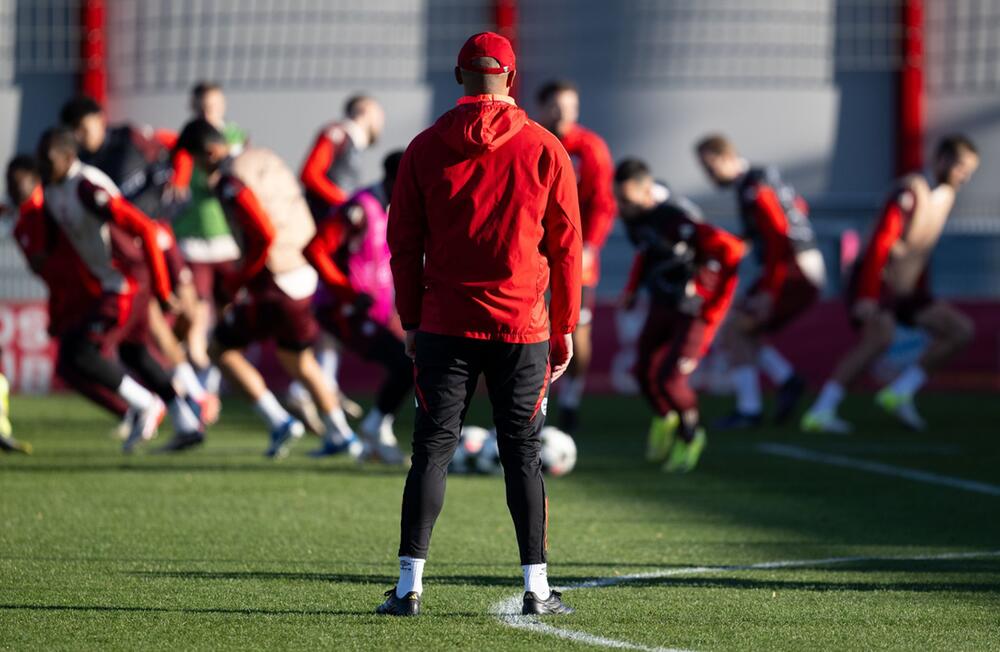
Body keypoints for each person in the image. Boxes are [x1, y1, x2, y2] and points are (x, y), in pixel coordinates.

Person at [377, 32, 582, 617]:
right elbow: (567, 246)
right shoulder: (546, 146)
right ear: (511, 78)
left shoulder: (421, 147)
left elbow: (402, 244)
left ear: (458, 76)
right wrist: (564, 324)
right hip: (524, 323)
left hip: (444, 322)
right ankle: (537, 589)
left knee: (432, 450)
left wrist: (410, 318)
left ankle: (409, 585)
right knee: (522, 450)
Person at [176, 118, 364, 459]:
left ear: (209, 151)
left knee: (220, 349)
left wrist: (238, 281)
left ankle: (278, 421)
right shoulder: (264, 156)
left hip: (276, 279)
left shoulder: (230, 180)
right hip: (304, 271)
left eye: (197, 161)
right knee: (297, 358)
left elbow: (263, 234)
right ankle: (342, 436)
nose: (200, 171)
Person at [33, 129, 206, 452]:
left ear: (68, 158)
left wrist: (162, 287)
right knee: (134, 351)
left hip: (128, 280)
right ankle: (187, 424)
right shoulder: (54, 189)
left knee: (79, 352)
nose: (42, 165)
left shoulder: (88, 188)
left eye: (48, 159)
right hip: (113, 280)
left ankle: (144, 404)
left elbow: (143, 228)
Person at [802, 135, 979, 433]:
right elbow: (880, 245)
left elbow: (919, 249)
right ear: (942, 159)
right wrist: (868, 295)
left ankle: (900, 393)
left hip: (906, 286)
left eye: (969, 170)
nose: (966, 176)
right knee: (878, 339)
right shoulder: (910, 191)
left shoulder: (946, 196)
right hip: (875, 280)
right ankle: (821, 411)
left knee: (959, 331)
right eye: (961, 167)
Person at [59, 96, 210, 418]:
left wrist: (180, 180)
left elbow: (176, 142)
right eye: (75, 131)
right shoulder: (84, 166)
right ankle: (196, 395)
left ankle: (193, 377)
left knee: (189, 311)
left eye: (84, 127)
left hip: (159, 234)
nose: (81, 135)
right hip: (134, 250)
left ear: (99, 119)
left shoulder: (130, 138)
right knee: (153, 321)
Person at [615, 159, 744, 472]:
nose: (622, 208)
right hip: (662, 302)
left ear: (647, 191)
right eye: (619, 200)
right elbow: (645, 252)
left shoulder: (678, 217)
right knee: (644, 371)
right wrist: (633, 289)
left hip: (692, 309)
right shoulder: (636, 218)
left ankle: (690, 435)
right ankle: (665, 417)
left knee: (671, 379)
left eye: (627, 201)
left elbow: (732, 250)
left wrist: (710, 300)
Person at [695, 134, 825, 428]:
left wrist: (769, 289)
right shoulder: (761, 181)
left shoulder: (754, 187)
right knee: (743, 330)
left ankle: (750, 409)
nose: (709, 175)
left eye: (709, 166)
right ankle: (787, 381)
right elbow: (797, 210)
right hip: (796, 266)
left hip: (794, 270)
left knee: (734, 331)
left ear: (725, 158)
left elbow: (779, 236)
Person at [303, 151, 411, 463]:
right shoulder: (359, 207)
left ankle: (374, 432)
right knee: (405, 362)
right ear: (393, 179)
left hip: (375, 309)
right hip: (345, 308)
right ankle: (375, 430)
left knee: (411, 361)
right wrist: (347, 294)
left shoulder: (393, 207)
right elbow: (315, 249)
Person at [7, 155, 131, 428]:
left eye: (20, 182)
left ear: (36, 181)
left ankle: (146, 404)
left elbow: (45, 258)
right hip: (72, 298)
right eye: (10, 183)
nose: (14, 189)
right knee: (73, 364)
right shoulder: (26, 218)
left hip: (95, 291)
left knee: (93, 355)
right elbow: (44, 269)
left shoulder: (47, 208)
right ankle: (132, 409)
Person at [535, 79, 616, 435]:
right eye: (557, 106)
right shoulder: (533, 140)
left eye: (570, 107)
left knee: (576, 332)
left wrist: (590, 246)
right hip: (535, 253)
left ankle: (571, 400)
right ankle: (533, 401)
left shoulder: (590, 148)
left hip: (577, 255)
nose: (564, 114)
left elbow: (603, 203)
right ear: (544, 107)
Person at [168, 81, 249, 402]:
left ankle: (213, 379)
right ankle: (200, 384)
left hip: (227, 240)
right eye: (201, 107)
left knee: (228, 312)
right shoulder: (186, 143)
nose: (207, 112)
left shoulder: (235, 138)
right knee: (197, 312)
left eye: (212, 107)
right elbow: (178, 177)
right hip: (194, 239)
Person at [300, 95, 385, 220]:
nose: (381, 121)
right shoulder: (337, 134)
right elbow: (310, 174)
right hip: (321, 218)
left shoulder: (355, 144)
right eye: (378, 115)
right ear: (364, 110)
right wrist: (343, 201)